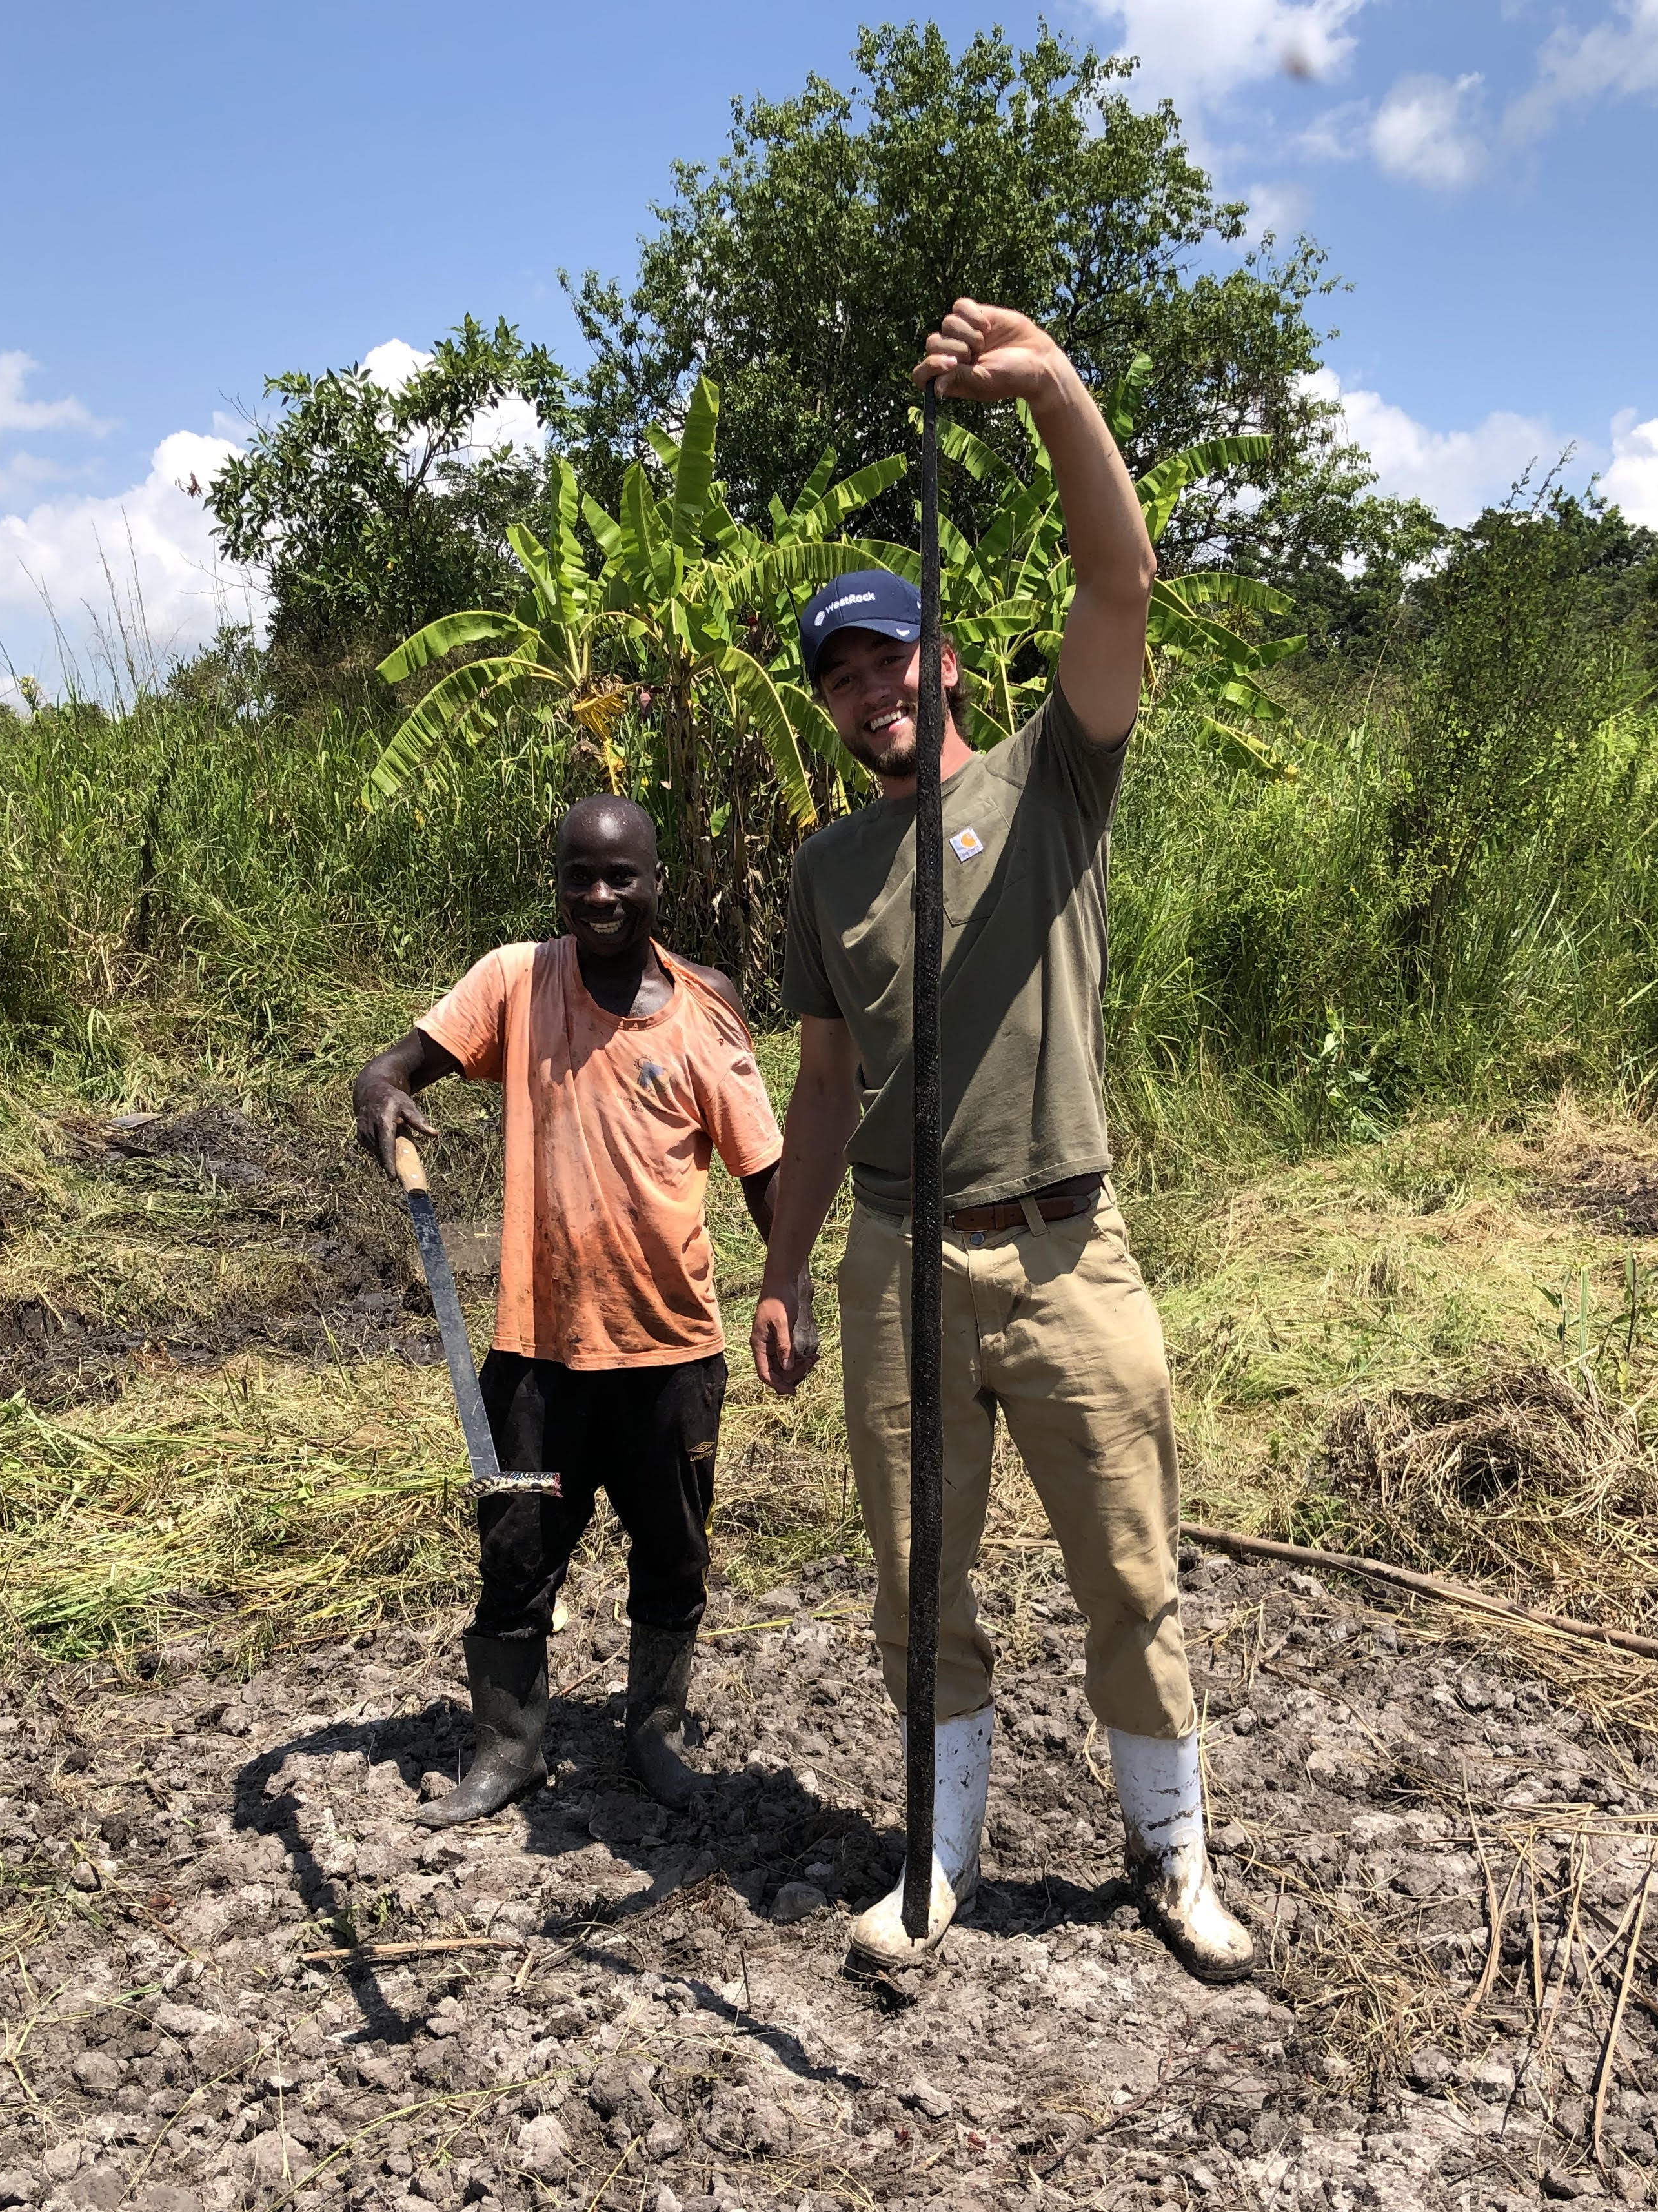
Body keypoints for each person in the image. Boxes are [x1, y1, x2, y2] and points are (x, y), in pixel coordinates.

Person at [751, 299, 1252, 1983]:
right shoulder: (826, 874)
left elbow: (1121, 587)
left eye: (888, 654)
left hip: (1063, 1245)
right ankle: (938, 1858)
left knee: (1129, 1569)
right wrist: (784, 1268)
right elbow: (823, 1088)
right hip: (895, 1259)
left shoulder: (1051, 784)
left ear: (948, 660)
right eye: (836, 673)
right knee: (919, 1592)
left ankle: (1173, 1861)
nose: (865, 687)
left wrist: (1049, 391)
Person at [354, 795, 812, 1828]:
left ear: (659, 881)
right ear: (557, 880)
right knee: (515, 1550)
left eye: (621, 878)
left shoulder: (706, 1005)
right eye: (579, 876)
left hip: (672, 1351)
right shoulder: (515, 981)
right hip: (537, 1357)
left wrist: (794, 1287)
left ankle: (654, 1731)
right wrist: (379, 1094)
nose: (599, 897)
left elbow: (765, 1168)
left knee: (673, 1552)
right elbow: (396, 1065)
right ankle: (507, 1749)